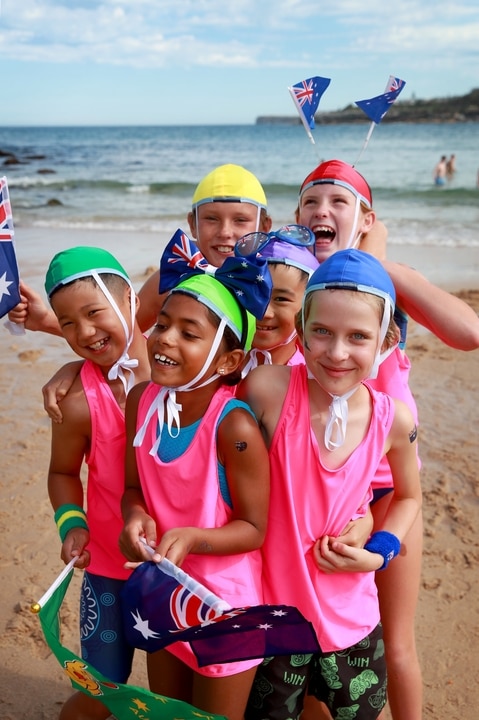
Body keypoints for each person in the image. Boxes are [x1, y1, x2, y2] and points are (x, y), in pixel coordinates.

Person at [294, 158, 479, 720]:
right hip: (319, 493)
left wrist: (376, 262)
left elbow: (469, 332)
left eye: (339, 201)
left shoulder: (385, 285)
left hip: (388, 489)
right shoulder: (292, 281)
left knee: (394, 639)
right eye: (310, 202)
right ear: (296, 218)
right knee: (313, 638)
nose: (322, 210)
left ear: (368, 217)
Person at [240, 248, 422, 720]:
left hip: (353, 622)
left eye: (358, 336)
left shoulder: (392, 420)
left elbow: (407, 496)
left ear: (386, 341)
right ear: (300, 332)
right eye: (322, 331)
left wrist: (378, 548)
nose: (337, 352)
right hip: (275, 618)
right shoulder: (266, 390)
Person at [118, 230, 272, 720]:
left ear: (228, 360)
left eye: (188, 333)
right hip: (164, 594)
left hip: (225, 607)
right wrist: (134, 519)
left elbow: (254, 529)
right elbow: (133, 489)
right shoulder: (139, 401)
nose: (164, 338)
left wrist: (190, 538)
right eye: (162, 324)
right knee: (167, 713)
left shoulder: (235, 428)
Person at [44, 246, 151, 720]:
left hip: (180, 565)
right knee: (100, 688)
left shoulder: (183, 367)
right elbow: (63, 472)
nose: (84, 332)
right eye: (67, 323)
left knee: (182, 686)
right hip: (108, 568)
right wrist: (72, 524)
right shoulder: (77, 401)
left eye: (93, 313)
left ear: (130, 301)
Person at [236, 225, 319, 371]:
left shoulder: (314, 378)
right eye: (255, 294)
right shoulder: (213, 367)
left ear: (309, 307)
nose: (265, 312)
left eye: (281, 299)